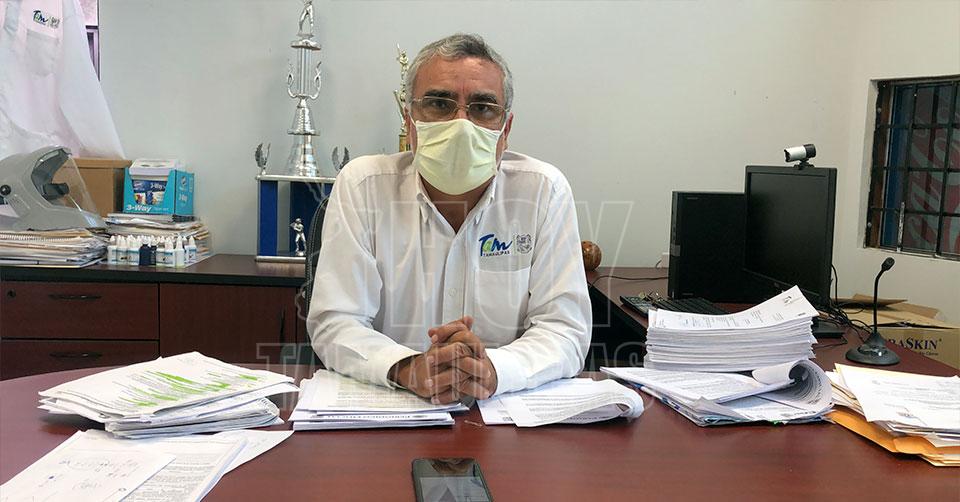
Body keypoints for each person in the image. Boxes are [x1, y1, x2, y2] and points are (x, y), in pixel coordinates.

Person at [307, 33, 591, 404]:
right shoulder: (364, 186)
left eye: (482, 108)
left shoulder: (543, 192)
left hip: (502, 411)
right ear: (409, 121)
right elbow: (336, 321)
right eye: (440, 104)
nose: (461, 125)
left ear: (505, 130)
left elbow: (565, 330)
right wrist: (408, 367)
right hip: (392, 407)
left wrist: (493, 370)